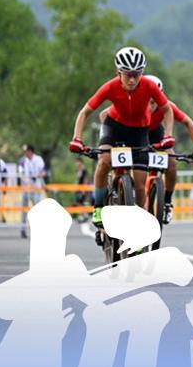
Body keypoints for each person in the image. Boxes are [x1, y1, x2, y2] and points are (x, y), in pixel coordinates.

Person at [69, 46, 174, 244]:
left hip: (139, 131)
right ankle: (98, 207)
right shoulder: (110, 87)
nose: (132, 80)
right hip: (114, 126)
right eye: (128, 75)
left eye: (137, 74)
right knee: (104, 161)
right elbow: (85, 112)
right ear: (119, 73)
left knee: (141, 185)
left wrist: (168, 136)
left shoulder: (149, 86)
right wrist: (77, 138)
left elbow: (167, 110)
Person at [110, 74, 193, 224]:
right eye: (147, 101)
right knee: (125, 164)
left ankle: (167, 202)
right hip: (133, 132)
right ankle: (119, 191)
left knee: (171, 162)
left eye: (155, 101)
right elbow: (106, 115)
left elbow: (188, 122)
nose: (151, 105)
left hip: (155, 133)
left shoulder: (167, 106)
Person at [73, 157, 92, 222]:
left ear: (81, 162)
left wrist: (84, 189)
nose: (77, 164)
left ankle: (83, 215)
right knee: (78, 202)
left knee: (81, 202)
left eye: (78, 162)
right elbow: (77, 180)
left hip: (82, 189)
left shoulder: (84, 170)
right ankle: (82, 215)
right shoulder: (77, 170)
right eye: (76, 162)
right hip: (78, 189)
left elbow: (85, 180)